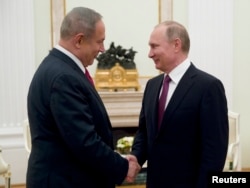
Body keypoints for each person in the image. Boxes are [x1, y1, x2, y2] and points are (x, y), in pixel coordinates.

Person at [26, 7, 140, 188]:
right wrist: (122, 167)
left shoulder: (60, 68)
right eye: (99, 42)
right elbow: (84, 141)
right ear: (79, 40)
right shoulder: (64, 77)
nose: (103, 49)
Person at [129, 20, 229, 188]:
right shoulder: (152, 86)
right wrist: (135, 158)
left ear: (176, 44)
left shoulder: (208, 87)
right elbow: (144, 132)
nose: (150, 54)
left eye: (154, 46)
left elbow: (214, 151)